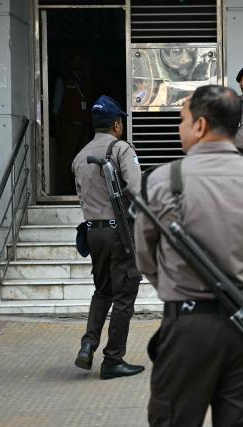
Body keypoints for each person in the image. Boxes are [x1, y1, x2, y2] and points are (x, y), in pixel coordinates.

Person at [134, 85, 243, 426]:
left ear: (200, 126)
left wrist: (179, 288)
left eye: (182, 119)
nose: (179, 128)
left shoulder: (161, 181)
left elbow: (145, 257)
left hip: (188, 326)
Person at [71, 95, 144, 380]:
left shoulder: (79, 156)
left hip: (93, 231)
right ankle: (113, 360)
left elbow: (81, 197)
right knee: (125, 294)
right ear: (116, 124)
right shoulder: (120, 148)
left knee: (102, 291)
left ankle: (88, 344)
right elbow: (137, 191)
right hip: (119, 232)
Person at [54, 48, 92, 194]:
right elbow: (56, 108)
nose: (77, 62)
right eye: (74, 59)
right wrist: (58, 129)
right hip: (68, 127)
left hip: (84, 126)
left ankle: (82, 190)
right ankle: (64, 191)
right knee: (67, 161)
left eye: (79, 59)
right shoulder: (62, 80)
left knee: (83, 160)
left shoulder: (85, 81)